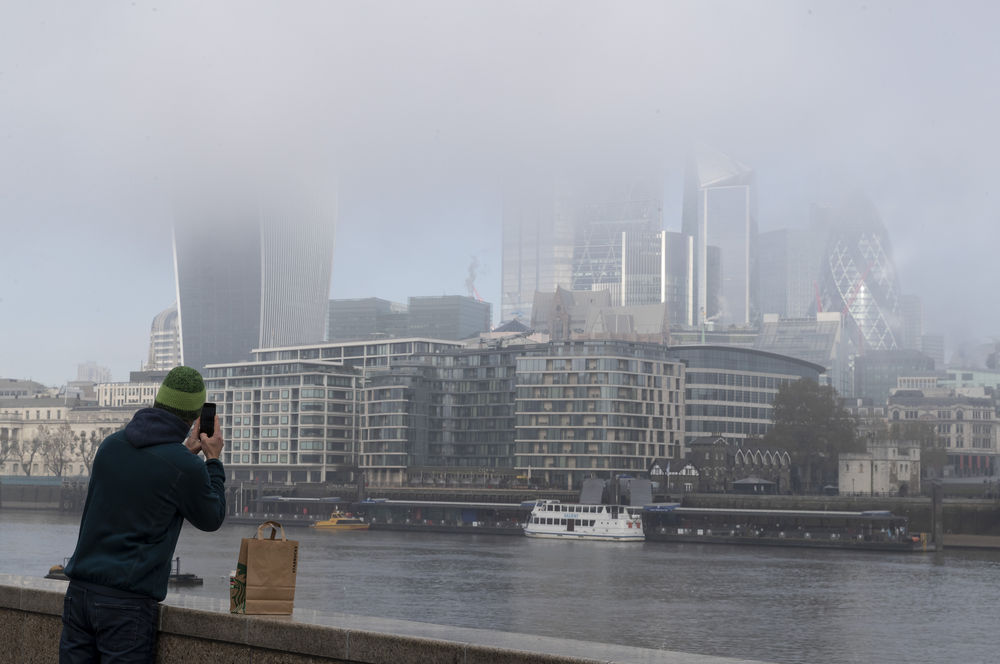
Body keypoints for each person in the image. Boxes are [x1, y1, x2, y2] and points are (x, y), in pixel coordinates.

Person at [59, 366, 226, 663]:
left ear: (158, 401)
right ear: (194, 417)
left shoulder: (111, 445)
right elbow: (211, 517)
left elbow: (146, 480)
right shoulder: (184, 468)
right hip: (126, 606)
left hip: (79, 595)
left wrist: (186, 453)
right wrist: (212, 461)